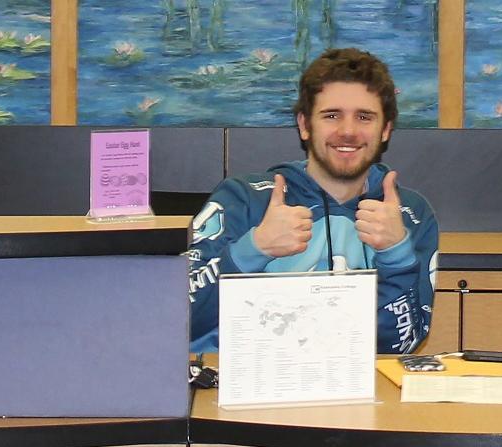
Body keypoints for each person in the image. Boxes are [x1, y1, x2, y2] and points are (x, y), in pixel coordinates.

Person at [187, 48, 439, 354]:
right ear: (305, 125)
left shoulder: (409, 215)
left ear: (385, 130)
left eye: (364, 117)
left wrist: (396, 256)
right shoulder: (242, 199)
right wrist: (253, 250)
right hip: (237, 391)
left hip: (348, 392)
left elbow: (403, 345)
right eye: (332, 115)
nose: (348, 131)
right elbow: (180, 321)